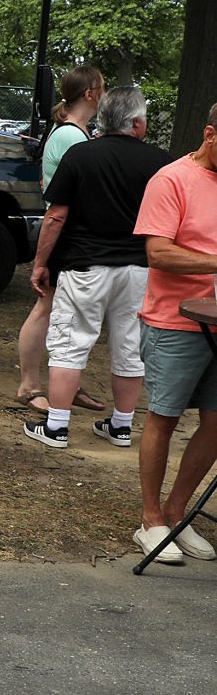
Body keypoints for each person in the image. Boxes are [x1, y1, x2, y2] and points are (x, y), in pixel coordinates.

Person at [22, 87, 168, 453]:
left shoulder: (81, 155)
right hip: (139, 268)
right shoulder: (161, 163)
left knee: (71, 343)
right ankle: (121, 425)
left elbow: (56, 216)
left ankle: (57, 426)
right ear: (137, 122)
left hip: (85, 265)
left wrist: (41, 263)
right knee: (130, 347)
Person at [132, 101, 217, 564]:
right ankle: (150, 521)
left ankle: (177, 514)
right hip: (175, 321)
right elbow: (159, 254)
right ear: (209, 134)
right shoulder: (171, 179)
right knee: (163, 418)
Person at [17, 67, 107, 415]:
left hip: (70, 230)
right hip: (65, 230)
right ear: (89, 94)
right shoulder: (71, 135)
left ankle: (62, 380)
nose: (104, 93)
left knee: (62, 310)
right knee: (46, 308)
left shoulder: (74, 132)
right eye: (101, 87)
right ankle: (29, 385)